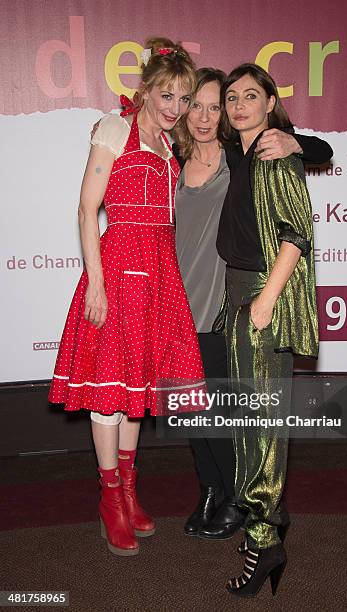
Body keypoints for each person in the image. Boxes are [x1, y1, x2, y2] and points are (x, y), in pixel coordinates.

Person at [48, 38, 206, 556]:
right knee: (108, 393)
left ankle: (131, 491)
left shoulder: (170, 145)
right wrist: (95, 280)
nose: (176, 107)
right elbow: (86, 207)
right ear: (148, 89)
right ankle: (109, 497)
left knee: (137, 389)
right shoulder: (115, 128)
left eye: (184, 98)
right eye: (168, 95)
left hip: (159, 275)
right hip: (117, 271)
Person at [173, 68, 330, 541]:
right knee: (183, 406)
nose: (205, 116)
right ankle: (209, 488)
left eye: (214, 106)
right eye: (195, 105)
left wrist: (295, 143)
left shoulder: (237, 155)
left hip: (219, 300)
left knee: (227, 407)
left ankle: (238, 498)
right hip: (170, 303)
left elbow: (316, 152)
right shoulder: (169, 160)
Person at [216, 63, 319, 596]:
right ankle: (266, 524)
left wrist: (266, 301)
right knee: (249, 416)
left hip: (261, 298)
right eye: (231, 97)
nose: (237, 105)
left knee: (261, 427)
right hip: (239, 296)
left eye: (248, 96)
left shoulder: (277, 154)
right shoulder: (241, 153)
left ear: (269, 101)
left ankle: (265, 542)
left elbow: (298, 233)